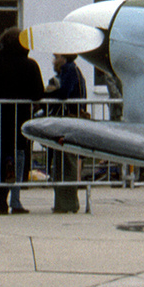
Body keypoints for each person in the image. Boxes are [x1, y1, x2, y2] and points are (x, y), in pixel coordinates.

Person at [0, 28, 44, 214]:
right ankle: (16, 200)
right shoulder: (30, 65)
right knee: (18, 158)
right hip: (19, 119)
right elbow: (37, 94)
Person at [45, 53, 87, 213]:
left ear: (64, 58)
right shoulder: (71, 70)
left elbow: (64, 94)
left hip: (69, 120)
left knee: (66, 162)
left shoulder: (69, 69)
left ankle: (67, 203)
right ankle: (63, 202)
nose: (54, 59)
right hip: (70, 119)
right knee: (62, 162)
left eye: (57, 56)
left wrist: (47, 93)